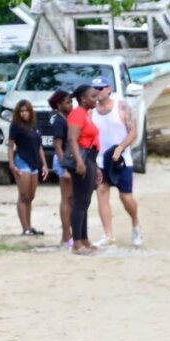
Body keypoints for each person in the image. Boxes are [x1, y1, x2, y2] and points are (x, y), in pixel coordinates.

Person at [91, 78, 142, 248]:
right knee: (102, 192)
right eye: (95, 88)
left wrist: (121, 147)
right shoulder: (92, 111)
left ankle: (135, 224)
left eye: (100, 88)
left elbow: (133, 131)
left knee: (125, 196)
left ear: (108, 89)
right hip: (100, 160)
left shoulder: (121, 107)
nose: (97, 91)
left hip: (121, 160)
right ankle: (108, 235)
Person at [66, 84, 101, 255]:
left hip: (90, 158)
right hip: (82, 159)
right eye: (93, 96)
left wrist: (97, 167)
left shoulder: (86, 114)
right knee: (80, 201)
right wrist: (80, 162)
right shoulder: (77, 113)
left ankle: (84, 239)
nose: (96, 99)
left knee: (85, 201)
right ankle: (77, 242)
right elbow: (72, 140)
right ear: (83, 99)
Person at [7, 99, 48, 236]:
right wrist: (12, 164)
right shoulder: (16, 126)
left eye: (26, 110)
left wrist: (45, 165)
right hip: (22, 161)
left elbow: (39, 146)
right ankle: (25, 228)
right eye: (21, 111)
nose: (24, 114)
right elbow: (11, 145)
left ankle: (29, 226)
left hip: (35, 162)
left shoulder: (35, 125)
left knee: (31, 196)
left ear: (30, 111)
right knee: (23, 196)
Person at [48, 89, 74, 248]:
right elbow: (57, 145)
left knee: (71, 198)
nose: (71, 104)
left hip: (69, 158)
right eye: (67, 102)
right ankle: (66, 236)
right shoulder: (59, 120)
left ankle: (68, 235)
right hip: (64, 159)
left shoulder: (67, 117)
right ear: (59, 104)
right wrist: (65, 166)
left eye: (71, 101)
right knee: (66, 198)